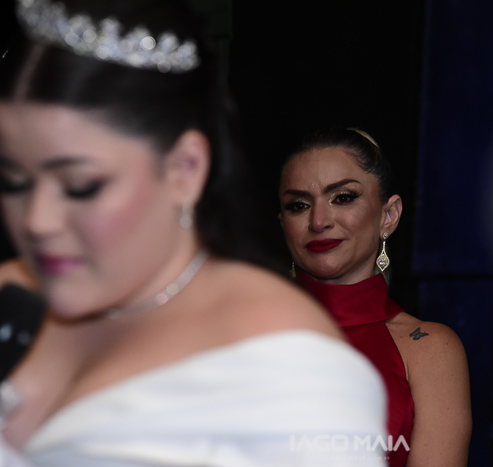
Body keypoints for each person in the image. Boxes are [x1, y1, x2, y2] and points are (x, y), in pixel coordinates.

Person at [0, 0, 389, 465]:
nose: (38, 220)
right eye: (13, 182)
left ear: (185, 169)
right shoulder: (9, 294)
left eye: (81, 186)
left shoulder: (285, 361)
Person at [277, 127, 472, 466]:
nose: (319, 221)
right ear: (283, 224)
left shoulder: (429, 348)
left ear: (388, 216)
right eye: (299, 205)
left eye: (342, 197)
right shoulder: (240, 339)